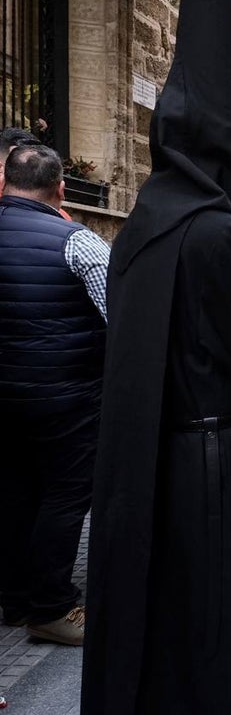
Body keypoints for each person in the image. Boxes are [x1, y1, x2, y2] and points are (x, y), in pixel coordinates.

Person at [82, 0, 231, 711]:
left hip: (157, 465)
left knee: (173, 631)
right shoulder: (216, 233)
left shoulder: (142, 223)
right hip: (218, 463)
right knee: (222, 629)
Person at [0, 144, 109, 645]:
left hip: (7, 401)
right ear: (62, 188)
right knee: (64, 497)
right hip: (66, 398)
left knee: (17, 493)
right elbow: (119, 314)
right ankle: (50, 605)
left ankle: (17, 600)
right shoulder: (79, 242)